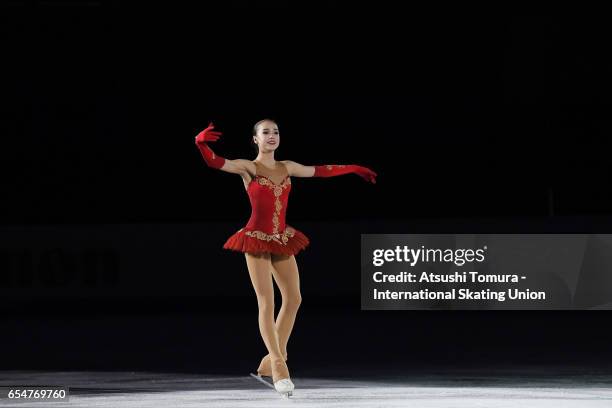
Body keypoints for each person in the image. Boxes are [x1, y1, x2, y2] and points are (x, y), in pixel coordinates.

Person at [195, 119, 377, 396]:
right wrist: (200, 143)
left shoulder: (288, 167)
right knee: (267, 301)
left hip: (281, 237)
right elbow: (216, 162)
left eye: (276, 132)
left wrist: (352, 168)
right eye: (265, 132)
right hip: (255, 238)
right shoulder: (249, 167)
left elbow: (321, 171)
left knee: (293, 298)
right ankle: (280, 364)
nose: (272, 136)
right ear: (255, 139)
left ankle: (269, 360)